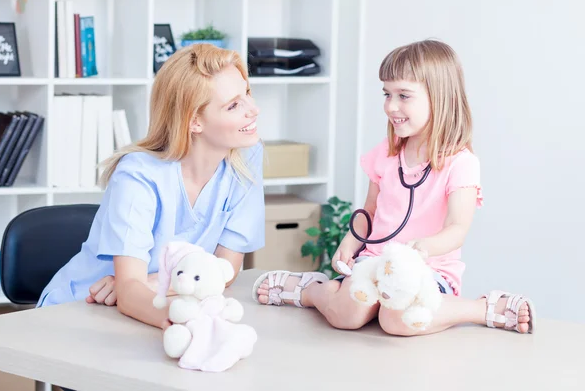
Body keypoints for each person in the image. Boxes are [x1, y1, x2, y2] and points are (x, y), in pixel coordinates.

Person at [252, 39, 535, 336]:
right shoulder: (386, 154)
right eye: (387, 94)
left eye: (404, 95)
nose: (391, 106)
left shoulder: (460, 163)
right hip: (375, 262)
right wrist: (350, 242)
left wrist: (423, 249)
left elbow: (457, 227)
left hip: (428, 271)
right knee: (350, 314)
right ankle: (311, 290)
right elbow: (369, 212)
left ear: (439, 98)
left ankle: (483, 309)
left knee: (397, 319)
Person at [37, 43, 265, 331]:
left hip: (157, 301)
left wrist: (149, 283)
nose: (253, 110)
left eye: (247, 93)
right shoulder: (137, 174)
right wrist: (182, 320)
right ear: (194, 121)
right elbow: (130, 295)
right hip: (84, 307)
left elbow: (226, 269)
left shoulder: (246, 158)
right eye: (234, 105)